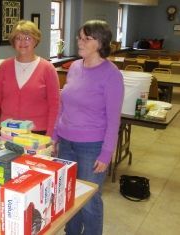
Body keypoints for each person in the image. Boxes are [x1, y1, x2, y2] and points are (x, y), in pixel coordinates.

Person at [53, 20, 124, 235]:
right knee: (69, 194)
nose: (80, 42)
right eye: (79, 37)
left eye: (86, 38)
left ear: (100, 42)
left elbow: (114, 119)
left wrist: (106, 153)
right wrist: (56, 134)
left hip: (91, 147)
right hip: (66, 142)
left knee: (90, 200)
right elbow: (63, 104)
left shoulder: (111, 75)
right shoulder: (74, 67)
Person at [0, 20, 60, 139]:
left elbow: (55, 106)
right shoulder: (4, 67)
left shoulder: (47, 69)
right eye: (18, 38)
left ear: (35, 40)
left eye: (27, 38)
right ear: (13, 41)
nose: (22, 42)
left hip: (37, 133)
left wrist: (51, 135)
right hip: (7, 130)